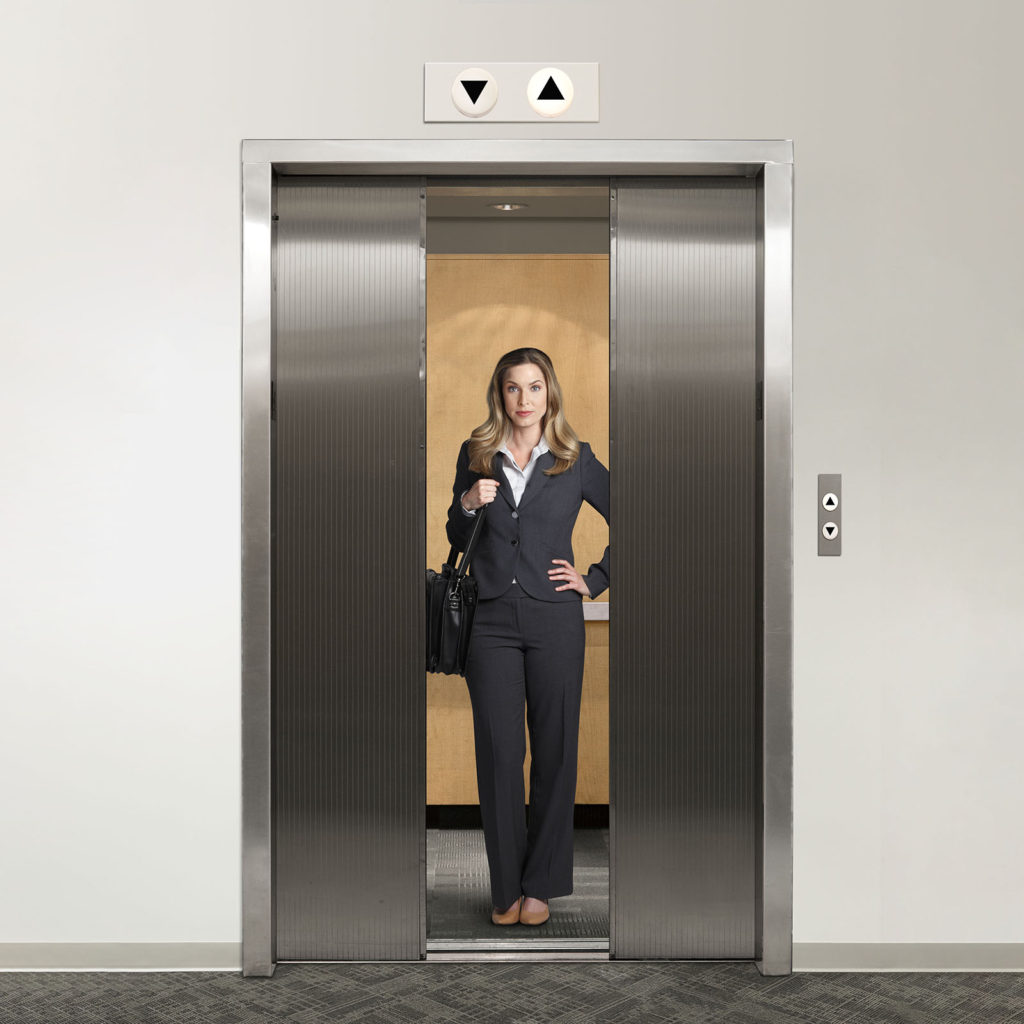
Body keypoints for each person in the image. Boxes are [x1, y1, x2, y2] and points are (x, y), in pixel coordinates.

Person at [445, 347, 610, 927]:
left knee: (555, 751)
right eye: (513, 388)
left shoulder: (574, 458)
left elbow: (636, 513)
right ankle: (506, 887)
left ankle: (540, 884)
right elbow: (454, 528)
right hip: (490, 619)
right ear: (500, 394)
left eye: (534, 388)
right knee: (498, 753)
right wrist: (468, 502)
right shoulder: (477, 453)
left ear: (550, 394)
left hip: (553, 622)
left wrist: (594, 579)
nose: (524, 400)